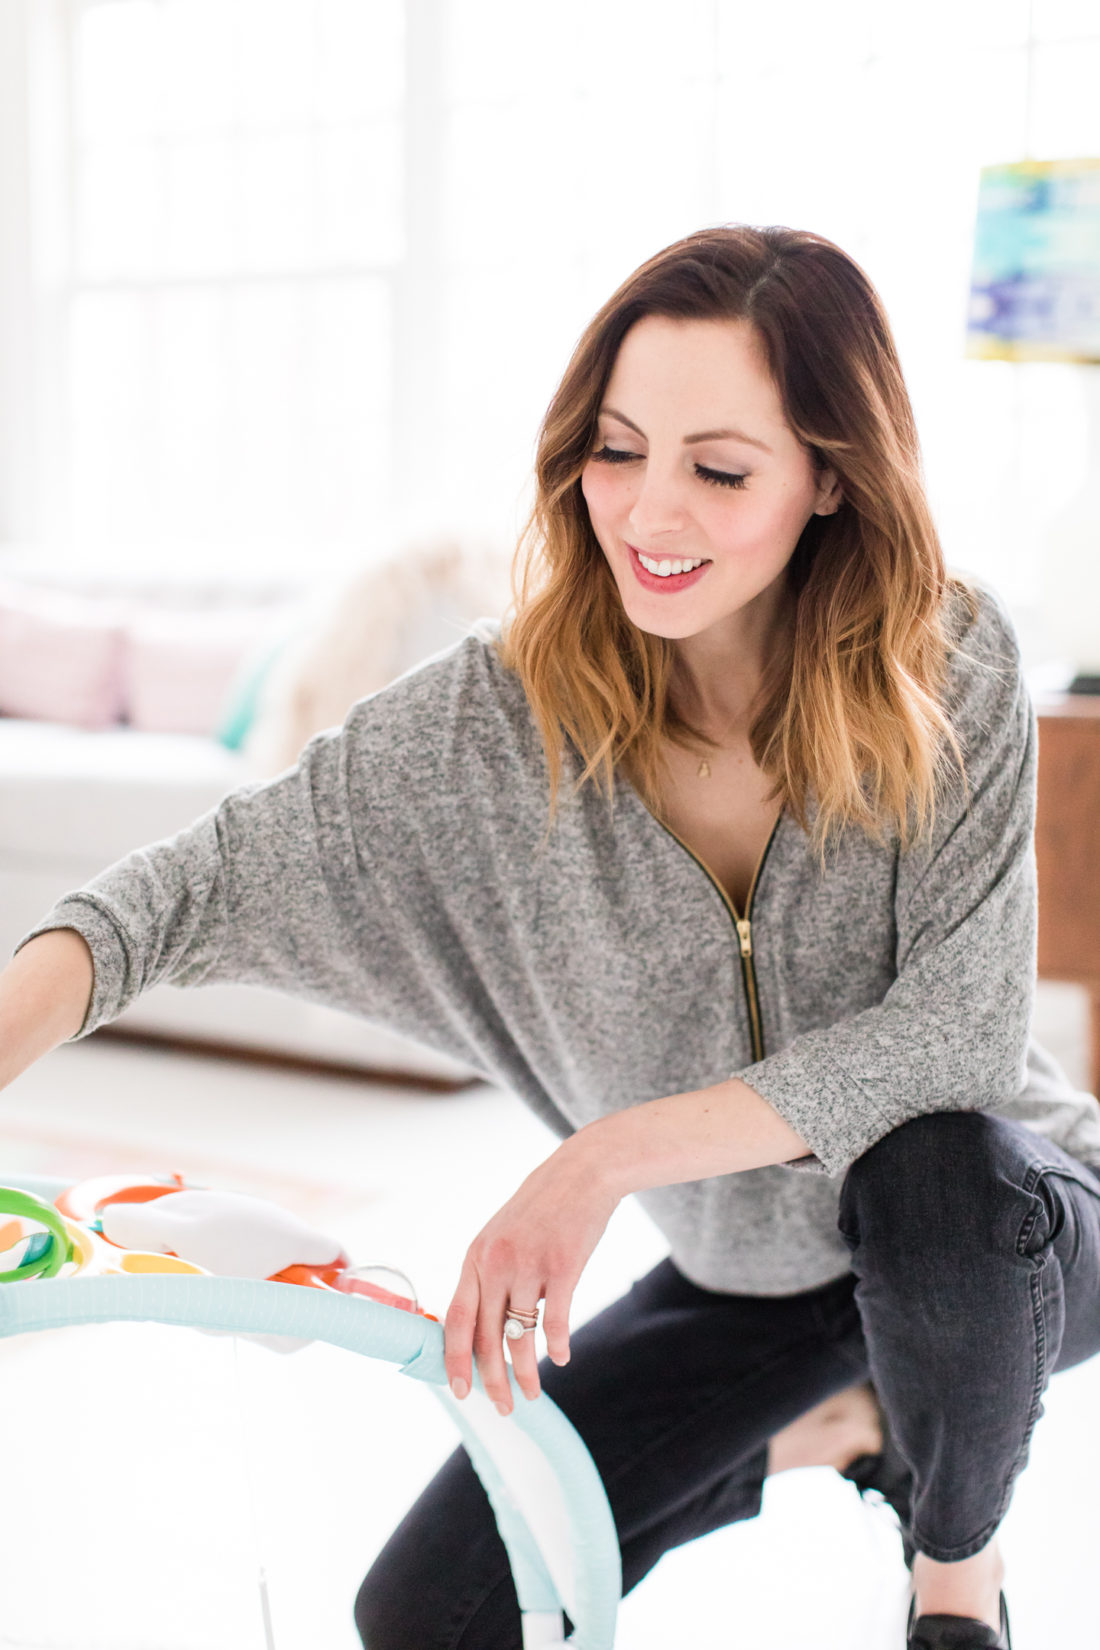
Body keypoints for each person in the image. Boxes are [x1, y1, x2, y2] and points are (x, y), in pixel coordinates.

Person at [3, 225, 1100, 1650]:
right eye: (615, 449)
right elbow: (180, 892)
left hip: (1012, 1240)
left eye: (718, 469)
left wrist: (600, 1159)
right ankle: (850, 1426)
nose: (650, 512)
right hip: (751, 1286)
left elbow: (951, 1041)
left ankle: (958, 1563)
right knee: (429, 1606)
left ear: (830, 477)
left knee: (937, 1174)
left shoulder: (947, 658)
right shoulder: (495, 715)